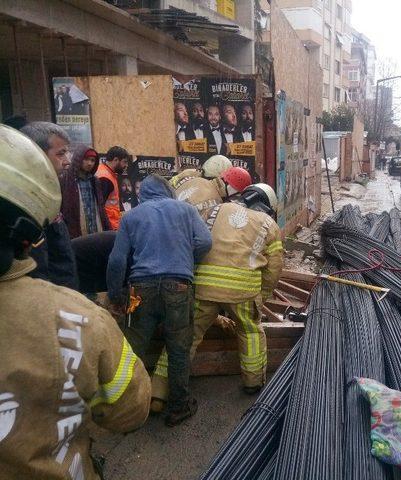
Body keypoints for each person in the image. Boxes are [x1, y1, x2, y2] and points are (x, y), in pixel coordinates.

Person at [0, 125, 150, 479]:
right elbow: (129, 411)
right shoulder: (78, 320)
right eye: (60, 154)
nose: (67, 161)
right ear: (29, 232)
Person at [150, 183, 283, 407]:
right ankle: (252, 383)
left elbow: (192, 243)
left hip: (203, 287)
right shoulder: (268, 224)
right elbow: (274, 268)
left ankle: (158, 392)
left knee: (185, 337)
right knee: (250, 332)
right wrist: (263, 295)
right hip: (243, 291)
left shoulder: (214, 210)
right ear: (267, 205)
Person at [106, 174, 211, 427]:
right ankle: (179, 407)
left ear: (142, 195)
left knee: (133, 350)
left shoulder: (131, 216)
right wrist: (186, 256)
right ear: (168, 191)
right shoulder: (186, 210)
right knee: (178, 349)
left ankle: (129, 408)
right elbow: (206, 242)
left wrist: (115, 293)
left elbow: (117, 260)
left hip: (141, 289)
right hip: (179, 286)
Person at [20, 121, 78, 290]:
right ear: (36, 155)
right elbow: (36, 270)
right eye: (61, 154)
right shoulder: (25, 204)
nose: (67, 161)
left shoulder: (48, 195)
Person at [59, 145, 110, 239]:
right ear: (78, 159)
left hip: (95, 228)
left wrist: (108, 228)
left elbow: (101, 207)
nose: (90, 163)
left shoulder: (95, 181)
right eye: (86, 159)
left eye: (92, 160)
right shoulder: (65, 179)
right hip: (74, 232)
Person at [96, 146, 129, 231]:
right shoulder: (105, 178)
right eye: (124, 162)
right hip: (109, 227)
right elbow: (100, 208)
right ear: (115, 160)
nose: (126, 165)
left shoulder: (106, 172)